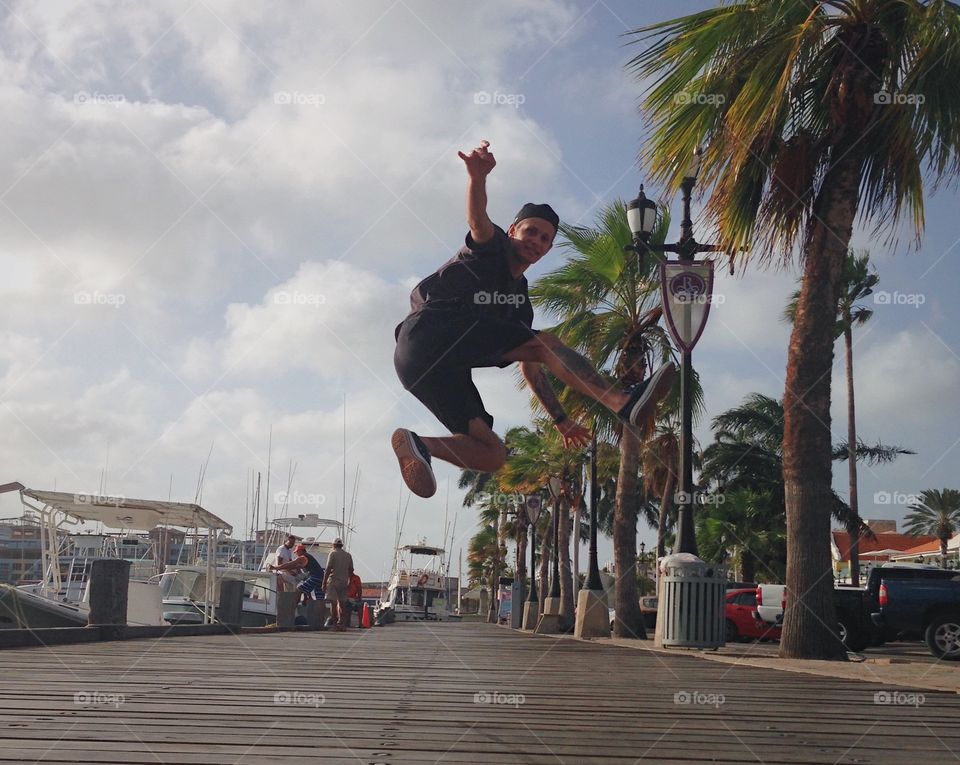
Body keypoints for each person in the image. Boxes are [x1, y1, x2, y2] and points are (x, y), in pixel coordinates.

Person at [392, 140, 676, 498]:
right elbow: (478, 220)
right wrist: (477, 177)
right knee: (544, 344)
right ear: (512, 231)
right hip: (428, 333)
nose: (536, 241)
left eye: (545, 238)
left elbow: (532, 365)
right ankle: (623, 402)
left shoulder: (519, 304)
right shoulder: (491, 248)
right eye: (530, 232)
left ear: (549, 248)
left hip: (425, 369)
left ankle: (418, 444)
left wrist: (560, 420)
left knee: (493, 455)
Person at [322, 538, 354, 631]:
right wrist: (350, 581)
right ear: (342, 545)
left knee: (333, 603)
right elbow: (351, 570)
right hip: (344, 582)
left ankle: (335, 625)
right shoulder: (348, 555)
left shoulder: (333, 553)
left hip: (334, 581)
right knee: (342, 604)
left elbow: (328, 568)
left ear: (334, 545)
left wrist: (324, 583)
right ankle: (343, 625)